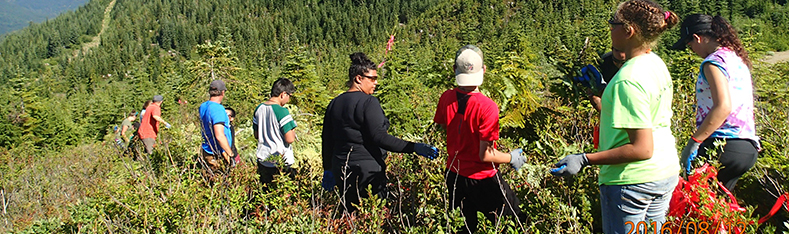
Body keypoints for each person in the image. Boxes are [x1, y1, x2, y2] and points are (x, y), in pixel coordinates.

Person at [551, 1, 680, 233]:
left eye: (614, 23)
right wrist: (601, 91)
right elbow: (642, 111)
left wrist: (584, 159)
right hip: (664, 172)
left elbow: (642, 148)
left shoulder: (627, 79)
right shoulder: (655, 63)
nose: (610, 28)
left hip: (631, 182)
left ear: (629, 30)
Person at [321, 52, 439, 213]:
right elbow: (380, 137)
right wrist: (414, 147)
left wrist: (328, 169)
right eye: (372, 78)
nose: (376, 83)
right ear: (358, 78)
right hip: (367, 171)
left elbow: (327, 140)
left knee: (349, 217)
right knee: (374, 216)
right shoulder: (369, 102)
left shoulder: (334, 103)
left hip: (341, 168)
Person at [433, 45, 527, 233]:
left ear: (454, 70)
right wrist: (511, 157)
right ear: (483, 70)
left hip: (454, 175)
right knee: (515, 224)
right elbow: (485, 155)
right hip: (483, 179)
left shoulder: (446, 98)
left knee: (463, 229)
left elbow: (444, 126)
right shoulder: (487, 107)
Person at [670, 14, 759, 192]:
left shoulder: (712, 63)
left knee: (695, 200)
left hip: (722, 144)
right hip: (747, 146)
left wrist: (694, 142)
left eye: (690, 45)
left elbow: (723, 106)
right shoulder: (736, 59)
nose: (692, 50)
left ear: (697, 38)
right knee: (722, 208)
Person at [253, 78, 297, 186]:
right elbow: (290, 139)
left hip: (263, 159)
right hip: (280, 160)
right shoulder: (282, 111)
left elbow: (256, 135)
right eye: (289, 96)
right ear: (283, 94)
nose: (289, 99)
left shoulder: (259, 108)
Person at [199, 80, 234, 175]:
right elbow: (219, 136)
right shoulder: (217, 109)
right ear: (222, 92)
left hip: (207, 149)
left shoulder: (203, 106)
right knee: (221, 181)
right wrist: (230, 155)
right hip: (217, 152)